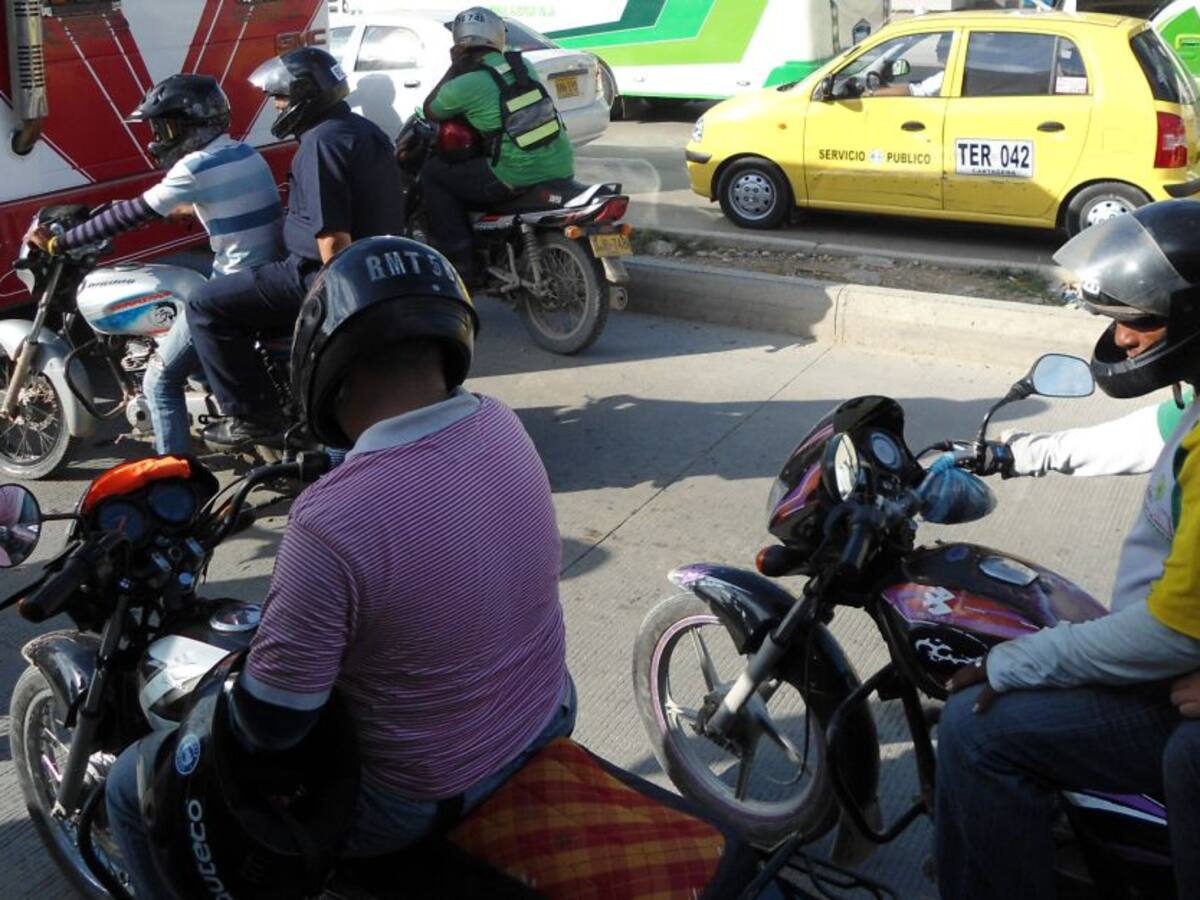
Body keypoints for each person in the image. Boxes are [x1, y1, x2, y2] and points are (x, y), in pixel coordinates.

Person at [105, 236, 575, 896]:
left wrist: (219, 698)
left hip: (422, 796)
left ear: (331, 371)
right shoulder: (501, 424)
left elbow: (273, 725)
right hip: (549, 712)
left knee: (134, 781)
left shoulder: (334, 519)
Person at [934, 200, 1200, 899]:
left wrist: (1010, 664)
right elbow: (1148, 436)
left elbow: (1172, 632)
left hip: (1171, 675)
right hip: (1173, 660)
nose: (1123, 338)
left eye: (1140, 319)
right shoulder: (1197, 403)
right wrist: (1014, 454)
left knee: (973, 730)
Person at [25, 74, 283, 455]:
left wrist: (60, 241)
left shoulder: (195, 166)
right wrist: (187, 210)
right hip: (264, 273)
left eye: (167, 126)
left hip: (233, 284)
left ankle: (171, 477)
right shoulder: (242, 152)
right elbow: (210, 199)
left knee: (159, 382)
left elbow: (133, 212)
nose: (160, 137)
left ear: (193, 125)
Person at [188, 47, 404, 450]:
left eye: (280, 98)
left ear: (305, 94)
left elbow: (332, 239)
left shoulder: (321, 144)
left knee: (205, 305)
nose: (277, 107)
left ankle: (251, 415)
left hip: (315, 276)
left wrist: (337, 306)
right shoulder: (361, 129)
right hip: (379, 267)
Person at [419, 6, 575, 283]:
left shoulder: (464, 84)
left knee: (434, 175)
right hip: (561, 162)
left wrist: (454, 67)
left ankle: (460, 264)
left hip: (514, 173)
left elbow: (431, 109)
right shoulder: (523, 66)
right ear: (497, 36)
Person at [868, 32, 952, 97]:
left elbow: (916, 91)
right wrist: (889, 88)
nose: (936, 48)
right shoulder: (950, 74)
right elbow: (918, 86)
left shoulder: (949, 76)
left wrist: (872, 93)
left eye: (943, 44)